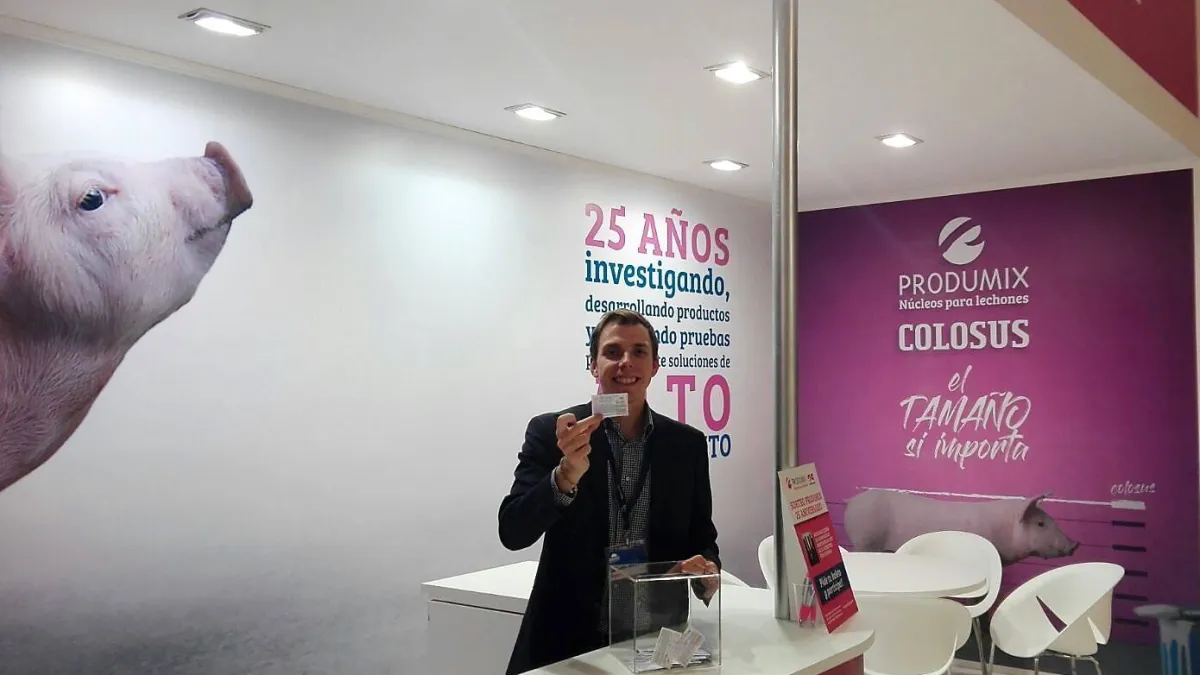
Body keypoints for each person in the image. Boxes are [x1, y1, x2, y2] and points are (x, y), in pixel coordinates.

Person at [497, 309, 721, 675]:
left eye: (639, 352)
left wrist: (706, 570)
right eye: (612, 352)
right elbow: (512, 531)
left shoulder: (686, 445)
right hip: (567, 648)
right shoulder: (556, 434)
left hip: (654, 645)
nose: (625, 362)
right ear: (593, 365)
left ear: (655, 366)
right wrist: (564, 477)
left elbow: (702, 538)